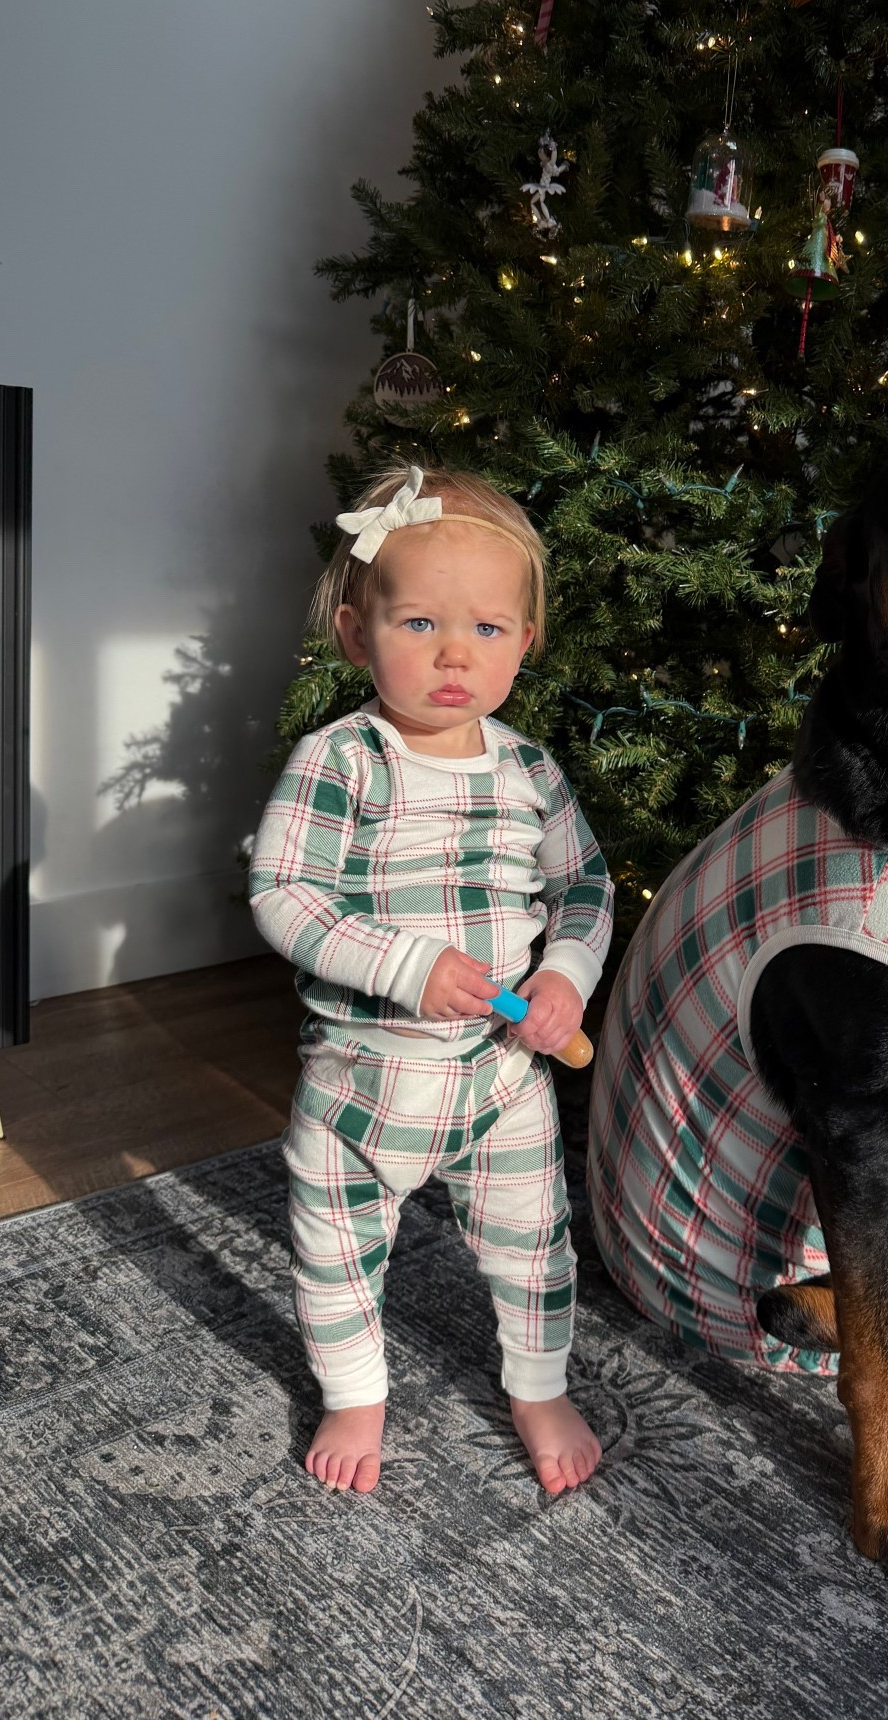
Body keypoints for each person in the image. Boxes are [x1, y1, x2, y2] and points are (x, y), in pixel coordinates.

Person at [249, 464, 613, 1497]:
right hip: (365, 1076)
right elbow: (284, 891)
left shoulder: (529, 769)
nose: (456, 653)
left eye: (489, 630)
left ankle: (537, 1383)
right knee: (336, 1243)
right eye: (418, 622)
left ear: (523, 644)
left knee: (534, 1242)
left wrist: (565, 978)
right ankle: (355, 1387)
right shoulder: (342, 760)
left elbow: (582, 883)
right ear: (359, 634)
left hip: (500, 1075)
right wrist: (405, 964)